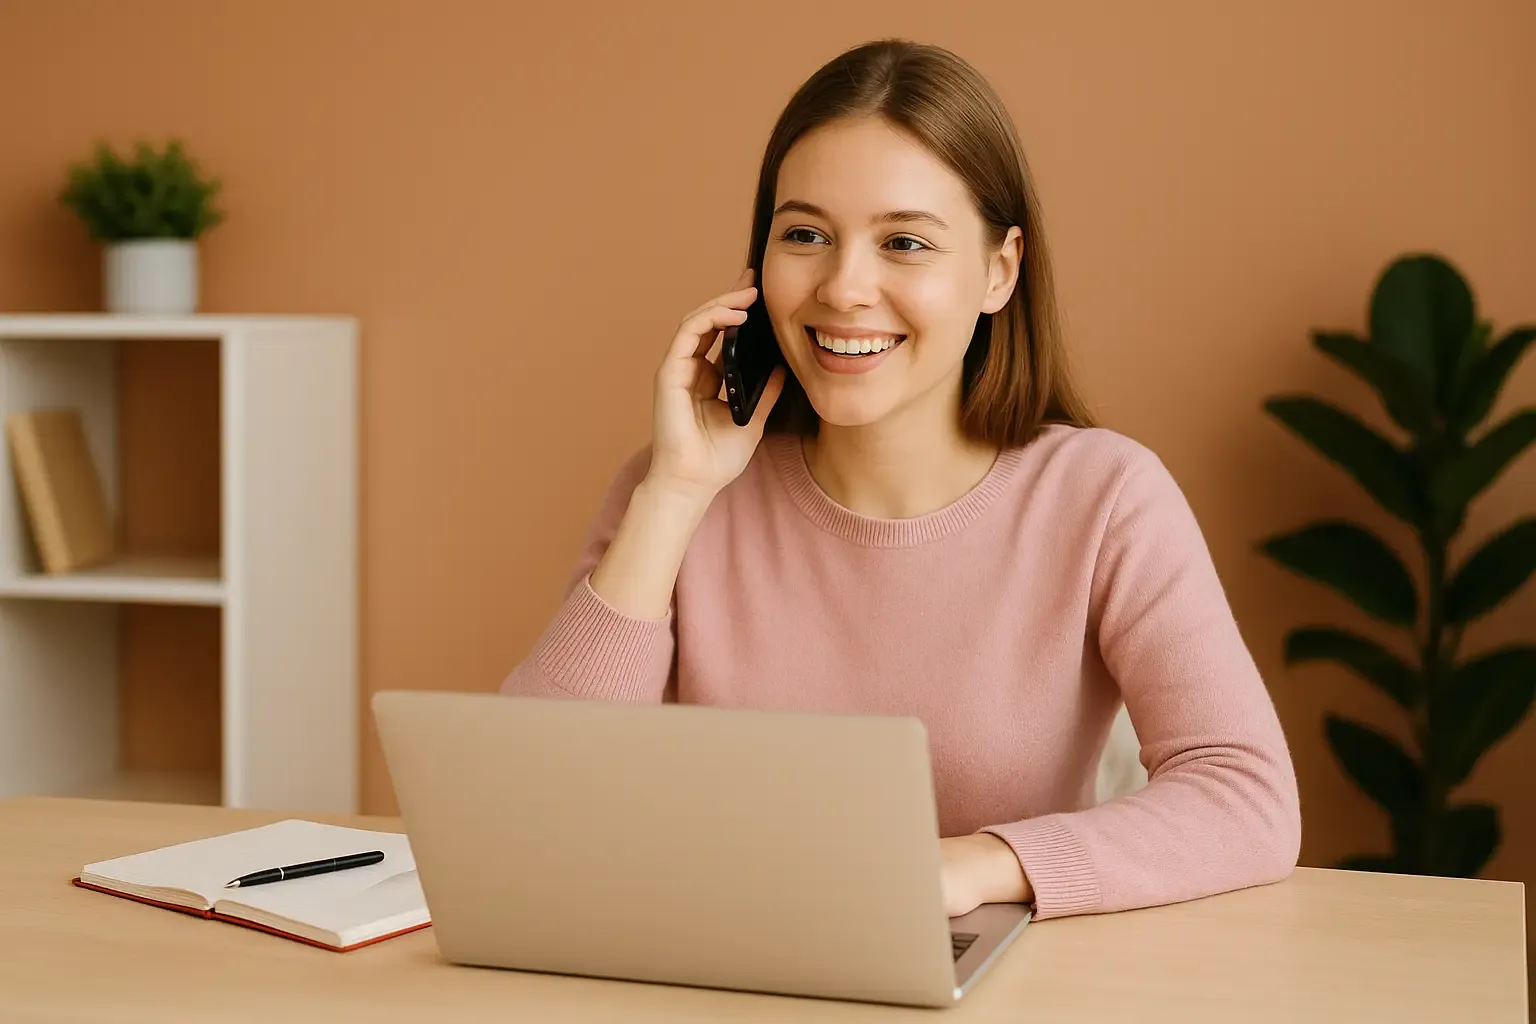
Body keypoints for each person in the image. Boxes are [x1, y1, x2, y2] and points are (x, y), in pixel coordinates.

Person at [502, 38, 1301, 921]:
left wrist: (974, 867)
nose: (845, 287)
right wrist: (677, 496)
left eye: (905, 243)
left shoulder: (1104, 496)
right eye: (805, 235)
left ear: (999, 271)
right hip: (716, 977)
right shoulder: (678, 492)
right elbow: (526, 804)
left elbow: (1246, 798)